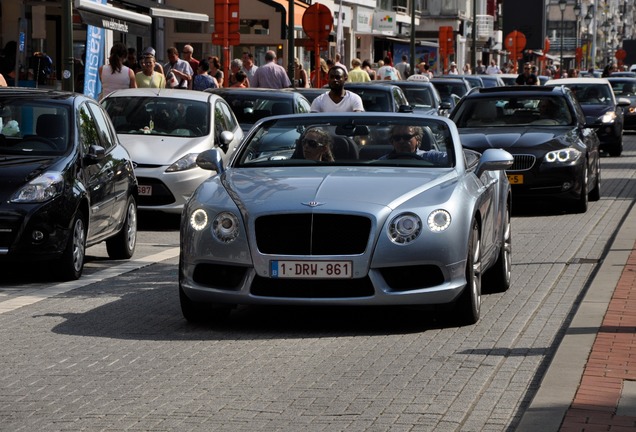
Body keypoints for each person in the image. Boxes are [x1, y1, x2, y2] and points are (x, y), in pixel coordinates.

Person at [381, 125, 447, 164]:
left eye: (407, 137)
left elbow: (450, 159)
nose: (401, 141)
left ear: (418, 139)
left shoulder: (431, 158)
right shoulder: (383, 162)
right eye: (397, 138)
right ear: (392, 141)